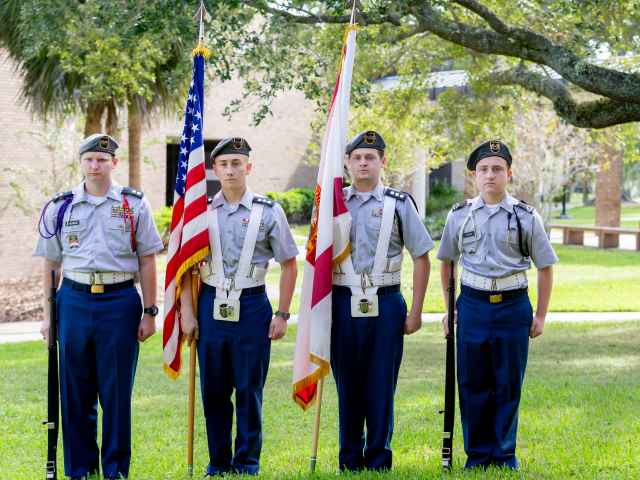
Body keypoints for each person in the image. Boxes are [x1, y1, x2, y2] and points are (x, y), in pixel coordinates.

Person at [35, 133, 163, 480]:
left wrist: (150, 312)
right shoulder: (60, 206)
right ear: (81, 162)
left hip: (119, 302)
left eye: (102, 160)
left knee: (116, 393)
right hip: (73, 300)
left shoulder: (134, 204)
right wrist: (49, 319)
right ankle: (79, 470)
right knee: (75, 392)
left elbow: (148, 259)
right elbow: (49, 264)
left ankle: (115, 470)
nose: (95, 165)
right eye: (90, 159)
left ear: (114, 163)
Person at [179, 137, 298, 477]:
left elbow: (289, 263)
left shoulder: (269, 211)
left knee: (249, 389)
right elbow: (186, 266)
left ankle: (246, 463)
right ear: (213, 169)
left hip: (252, 306)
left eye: (237, 163)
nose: (230, 170)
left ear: (249, 166)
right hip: (210, 305)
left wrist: (282, 313)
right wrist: (187, 312)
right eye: (224, 164)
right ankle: (218, 462)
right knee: (214, 390)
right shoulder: (199, 213)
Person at [437, 140, 558, 470]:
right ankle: (477, 456)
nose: (490, 175)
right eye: (484, 170)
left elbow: (545, 266)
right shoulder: (459, 216)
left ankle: (504, 455)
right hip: (473, 305)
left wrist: (541, 314)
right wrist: (451, 309)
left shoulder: (526, 216)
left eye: (497, 169)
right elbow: (446, 262)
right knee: (472, 382)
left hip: (513, 306)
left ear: (509, 173)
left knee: (507, 383)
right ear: (475, 175)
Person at [330, 130, 434, 471]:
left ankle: (378, 458)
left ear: (382, 162)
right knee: (347, 384)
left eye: (370, 157)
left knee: (380, 383)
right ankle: (349, 459)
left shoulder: (398, 204)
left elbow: (421, 256)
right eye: (357, 157)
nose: (363, 162)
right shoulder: (333, 204)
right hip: (342, 303)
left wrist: (416, 311)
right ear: (346, 162)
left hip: (386, 301)